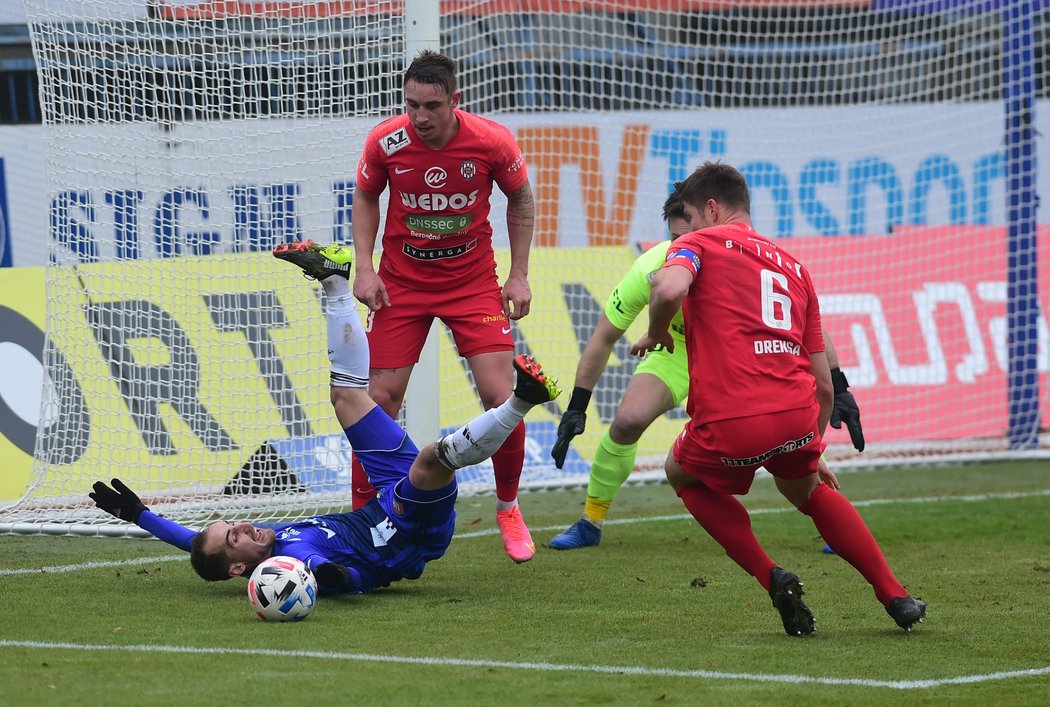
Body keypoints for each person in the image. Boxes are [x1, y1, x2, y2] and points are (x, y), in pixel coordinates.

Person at [88, 241, 561, 595]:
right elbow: (347, 577)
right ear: (239, 569)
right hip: (410, 529)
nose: (245, 526)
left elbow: (193, 541)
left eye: (232, 525)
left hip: (383, 496)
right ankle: (522, 399)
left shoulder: (259, 547)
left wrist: (141, 516)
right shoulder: (291, 561)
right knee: (434, 458)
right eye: (235, 537)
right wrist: (337, 581)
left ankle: (335, 281)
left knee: (346, 397)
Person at [629, 162, 924, 635]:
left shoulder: (696, 243)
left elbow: (667, 286)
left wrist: (657, 331)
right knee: (806, 487)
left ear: (710, 207)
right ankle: (896, 595)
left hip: (732, 421)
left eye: (689, 214)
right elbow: (823, 379)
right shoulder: (795, 267)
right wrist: (812, 447)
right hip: (795, 415)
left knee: (679, 471)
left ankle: (772, 576)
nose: (684, 227)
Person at [548, 184, 864, 550]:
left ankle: (832, 523)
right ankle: (591, 521)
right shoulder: (654, 267)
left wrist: (839, 386)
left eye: (689, 234)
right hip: (675, 350)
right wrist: (577, 406)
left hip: (734, 353)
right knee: (627, 421)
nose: (679, 245)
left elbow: (808, 325)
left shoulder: (737, 261)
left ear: (708, 224)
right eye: (673, 238)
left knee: (790, 432)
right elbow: (603, 337)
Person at [350, 50, 539, 563]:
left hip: (472, 285)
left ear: (455, 101)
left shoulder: (491, 141)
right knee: (377, 399)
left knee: (505, 399)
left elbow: (520, 200)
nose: (419, 117)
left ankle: (507, 505)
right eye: (411, 105)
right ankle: (362, 513)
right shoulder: (386, 142)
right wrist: (363, 267)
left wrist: (518, 274)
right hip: (402, 285)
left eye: (431, 105)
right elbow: (367, 196)